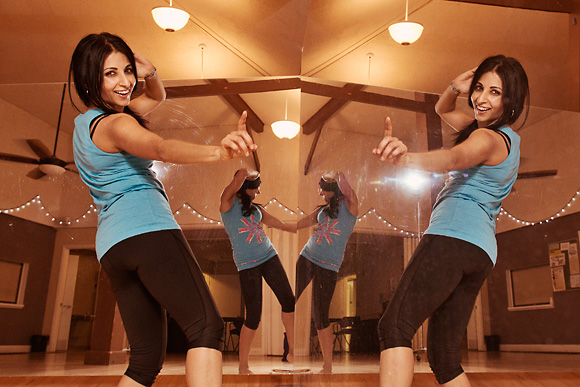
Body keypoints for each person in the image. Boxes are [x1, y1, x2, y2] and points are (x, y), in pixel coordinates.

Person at [69, 32, 257, 387]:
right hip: (146, 228)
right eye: (111, 74)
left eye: (127, 71)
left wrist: (149, 72)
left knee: (144, 362)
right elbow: (161, 147)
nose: (126, 82)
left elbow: (155, 95)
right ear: (88, 77)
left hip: (112, 245)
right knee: (207, 327)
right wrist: (220, 152)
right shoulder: (117, 123)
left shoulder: (88, 124)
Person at [373, 55, 529, 387]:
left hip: (452, 237)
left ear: (510, 100)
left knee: (394, 327)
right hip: (480, 251)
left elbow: (453, 158)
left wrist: (405, 159)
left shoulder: (485, 139)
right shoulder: (504, 139)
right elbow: (442, 111)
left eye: (495, 93)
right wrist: (454, 89)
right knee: (444, 357)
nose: (482, 99)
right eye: (479, 88)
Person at [219, 168, 296, 374]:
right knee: (253, 316)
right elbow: (237, 180)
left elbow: (277, 223)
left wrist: (300, 226)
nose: (259, 192)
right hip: (247, 264)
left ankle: (291, 350)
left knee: (288, 299)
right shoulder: (227, 203)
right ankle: (243, 365)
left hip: (269, 255)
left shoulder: (256, 209)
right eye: (257, 188)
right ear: (247, 186)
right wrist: (247, 172)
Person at [295, 171, 358, 373]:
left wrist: (335, 173)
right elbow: (303, 222)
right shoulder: (323, 209)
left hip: (329, 265)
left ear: (331, 188)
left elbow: (348, 189)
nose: (320, 192)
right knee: (289, 298)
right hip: (307, 257)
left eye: (322, 188)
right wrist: (278, 224)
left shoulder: (350, 206)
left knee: (320, 315)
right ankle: (287, 350)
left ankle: (327, 365)